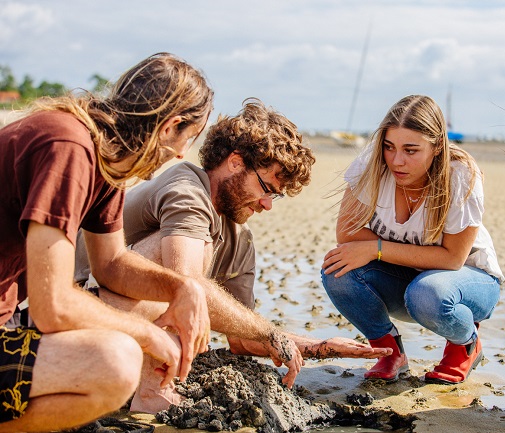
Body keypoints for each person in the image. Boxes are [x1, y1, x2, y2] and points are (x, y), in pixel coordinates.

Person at [0, 53, 300, 432]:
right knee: (116, 362)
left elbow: (111, 266)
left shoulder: (106, 163)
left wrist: (183, 287)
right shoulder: (68, 145)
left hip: (10, 320)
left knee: (120, 353)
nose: (179, 154)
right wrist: (146, 334)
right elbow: (53, 304)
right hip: (20, 323)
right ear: (170, 126)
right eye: (187, 139)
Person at [74, 98, 390, 414]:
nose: (267, 205)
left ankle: (145, 383)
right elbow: (185, 285)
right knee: (186, 278)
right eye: (266, 188)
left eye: (275, 197)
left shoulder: (241, 240)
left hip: (128, 341)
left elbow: (241, 338)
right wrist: (271, 334)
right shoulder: (186, 187)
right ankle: (154, 394)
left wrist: (317, 347)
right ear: (236, 162)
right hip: (78, 324)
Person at [321, 95, 504, 384]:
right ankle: (389, 352)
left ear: (437, 147)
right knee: (338, 268)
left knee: (428, 291)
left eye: (411, 150)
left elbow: (452, 258)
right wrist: (375, 252)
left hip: (468, 283)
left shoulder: (460, 174)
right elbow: (347, 235)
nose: (396, 160)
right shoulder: (372, 163)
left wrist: (376, 248)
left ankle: (465, 343)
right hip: (409, 280)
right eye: (389, 147)